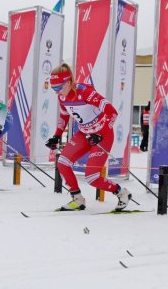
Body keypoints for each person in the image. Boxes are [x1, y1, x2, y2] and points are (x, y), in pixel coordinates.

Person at [45, 63, 132, 211]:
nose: (56, 92)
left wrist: (100, 134)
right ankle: (78, 199)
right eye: (53, 88)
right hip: (84, 133)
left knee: (92, 177)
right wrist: (57, 136)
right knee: (63, 163)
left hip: (102, 134)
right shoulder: (62, 97)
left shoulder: (85, 92)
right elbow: (64, 116)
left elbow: (112, 113)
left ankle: (122, 193)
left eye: (58, 87)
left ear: (68, 82)